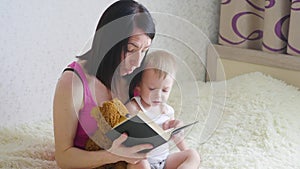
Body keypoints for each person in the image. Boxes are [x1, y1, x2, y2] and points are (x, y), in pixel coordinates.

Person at [53, 1, 156, 168]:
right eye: (131, 49)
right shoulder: (73, 83)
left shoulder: (135, 77)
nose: (137, 62)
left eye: (144, 51)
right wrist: (112, 155)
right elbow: (63, 157)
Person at [126, 50, 201, 169]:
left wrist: (178, 132)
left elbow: (177, 138)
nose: (158, 95)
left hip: (164, 161)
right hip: (142, 161)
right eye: (151, 89)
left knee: (193, 155)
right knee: (141, 164)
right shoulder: (134, 107)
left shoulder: (168, 111)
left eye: (165, 90)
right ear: (139, 86)